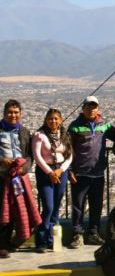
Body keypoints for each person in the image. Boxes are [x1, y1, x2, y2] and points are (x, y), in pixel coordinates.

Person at [68, 96, 115, 249]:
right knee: (78, 205)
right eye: (88, 106)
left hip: (98, 172)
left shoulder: (104, 125)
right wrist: (70, 169)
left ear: (98, 109)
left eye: (94, 107)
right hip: (80, 173)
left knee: (96, 204)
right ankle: (77, 234)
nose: (91, 109)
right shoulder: (74, 126)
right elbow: (68, 149)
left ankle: (93, 232)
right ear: (83, 108)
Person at [0, 100, 38, 258]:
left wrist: (23, 169)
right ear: (4, 113)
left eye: (16, 112)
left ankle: (12, 241)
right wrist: (2, 160)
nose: (13, 115)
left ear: (20, 114)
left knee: (18, 208)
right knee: (3, 210)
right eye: (10, 112)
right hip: (2, 176)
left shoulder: (24, 132)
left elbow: (29, 156)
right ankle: (2, 243)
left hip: (19, 178)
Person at [32, 108, 72, 253]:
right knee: (48, 206)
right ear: (45, 120)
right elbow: (37, 157)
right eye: (50, 119)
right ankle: (41, 240)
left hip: (61, 171)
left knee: (56, 208)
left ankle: (52, 240)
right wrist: (50, 172)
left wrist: (61, 170)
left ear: (60, 120)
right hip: (45, 172)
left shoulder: (65, 134)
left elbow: (69, 155)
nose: (53, 121)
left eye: (56, 119)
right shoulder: (39, 135)